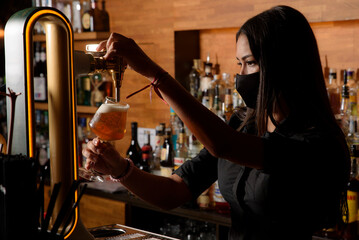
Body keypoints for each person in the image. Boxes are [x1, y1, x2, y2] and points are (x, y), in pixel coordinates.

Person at [82, 5, 350, 240]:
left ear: (286, 66)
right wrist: (119, 169)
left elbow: (223, 145)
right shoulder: (242, 122)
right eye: (239, 63)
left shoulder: (318, 143)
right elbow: (173, 192)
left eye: (250, 63)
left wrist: (153, 72)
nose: (240, 75)